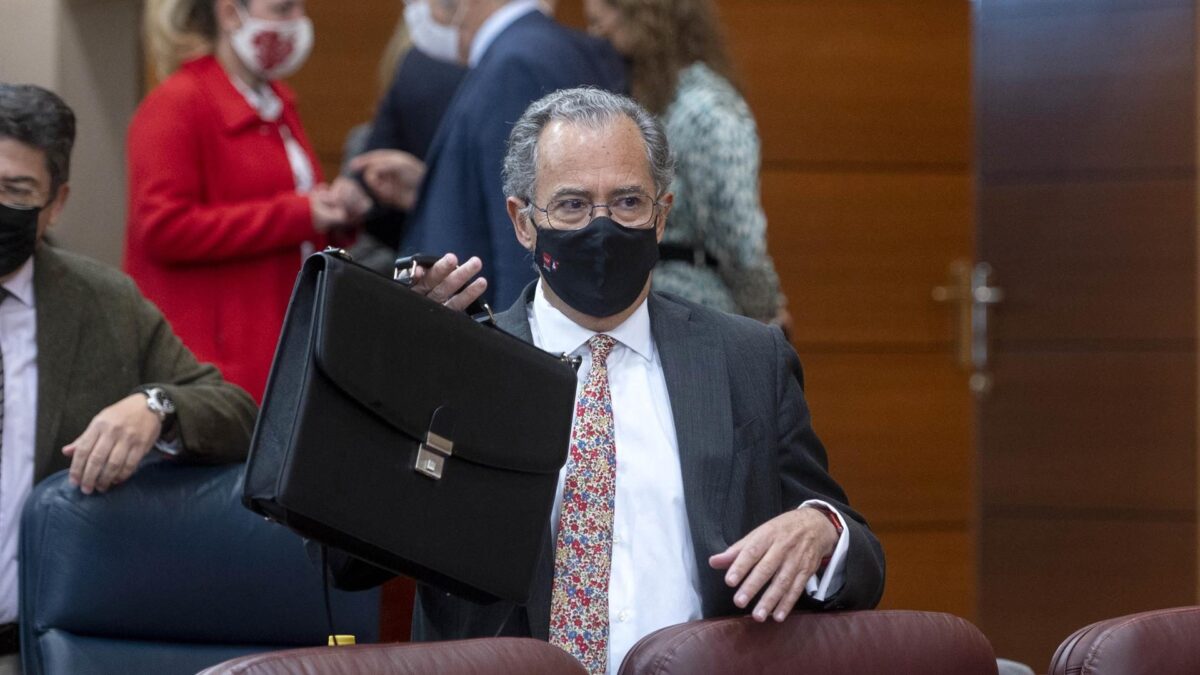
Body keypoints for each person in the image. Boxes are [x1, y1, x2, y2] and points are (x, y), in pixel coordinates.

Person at [331, 88, 884, 675]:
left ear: (662, 213)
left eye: (626, 202)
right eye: (570, 204)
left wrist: (824, 529)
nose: (602, 227)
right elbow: (347, 563)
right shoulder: (465, 361)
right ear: (523, 222)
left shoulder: (746, 358)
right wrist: (400, 375)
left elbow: (862, 557)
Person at [0, 83, 257, 673]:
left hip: (29, 649)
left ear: (56, 203)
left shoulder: (101, 303)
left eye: (17, 191)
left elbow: (236, 413)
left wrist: (156, 404)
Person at [126, 0, 356, 402]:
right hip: (213, 363)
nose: (298, 22)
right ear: (231, 13)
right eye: (283, 9)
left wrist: (336, 214)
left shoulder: (278, 102)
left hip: (282, 341)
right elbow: (163, 229)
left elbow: (291, 221)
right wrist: (300, 213)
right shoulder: (176, 103)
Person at [352, 0, 627, 309]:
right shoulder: (542, 47)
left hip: (494, 335)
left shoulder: (515, 63)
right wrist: (430, 189)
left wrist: (519, 348)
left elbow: (525, 237)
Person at [583, 0, 789, 328]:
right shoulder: (644, 103)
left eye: (600, 20)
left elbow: (737, 236)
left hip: (696, 315)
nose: (595, 34)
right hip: (644, 310)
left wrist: (767, 311)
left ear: (647, 15)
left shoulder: (705, 110)